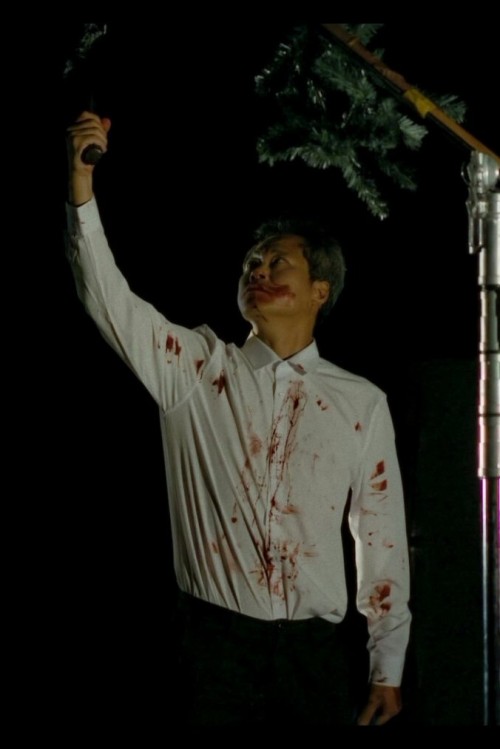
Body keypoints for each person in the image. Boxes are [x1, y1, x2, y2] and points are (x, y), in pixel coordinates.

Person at [65, 112, 411, 726]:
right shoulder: (196, 369)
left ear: (320, 290)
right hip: (213, 651)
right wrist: (81, 187)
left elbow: (380, 537)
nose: (258, 270)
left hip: (311, 657)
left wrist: (387, 665)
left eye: (277, 262)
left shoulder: (360, 402)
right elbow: (109, 300)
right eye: (252, 262)